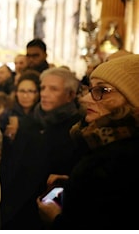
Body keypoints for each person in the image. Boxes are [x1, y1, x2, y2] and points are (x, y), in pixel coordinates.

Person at [37, 54, 139, 229]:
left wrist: (55, 220)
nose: (85, 99)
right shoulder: (102, 142)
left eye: (102, 91)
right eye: (91, 90)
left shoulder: (120, 159)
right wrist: (76, 185)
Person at [0, 67, 84, 230]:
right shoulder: (29, 122)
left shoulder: (77, 129)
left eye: (53, 89)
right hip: (16, 210)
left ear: (70, 95)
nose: (45, 93)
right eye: (43, 88)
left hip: (47, 211)